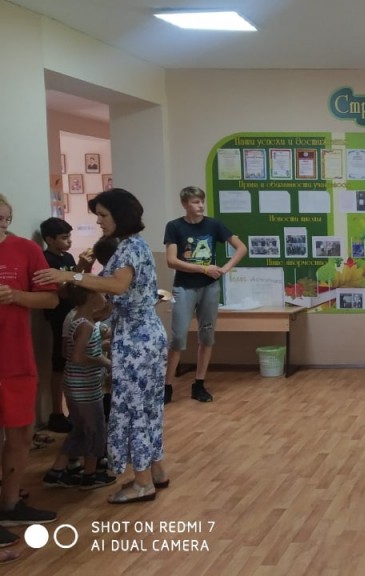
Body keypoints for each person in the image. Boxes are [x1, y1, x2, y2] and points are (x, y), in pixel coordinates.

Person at [34, 188, 170, 504]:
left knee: (134, 409)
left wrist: (71, 275)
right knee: (147, 408)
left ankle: (143, 483)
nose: (99, 221)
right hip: (144, 336)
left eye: (103, 215)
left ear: (120, 216)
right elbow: (113, 296)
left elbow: (117, 286)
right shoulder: (134, 246)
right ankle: (157, 472)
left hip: (137, 341)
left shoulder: (129, 248)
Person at [0, 193, 60, 552]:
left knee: (20, 435)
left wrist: (16, 296)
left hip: (17, 360)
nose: (3, 224)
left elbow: (50, 298)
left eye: (6, 218)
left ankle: (10, 505)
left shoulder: (26, 249)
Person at [164, 186, 247, 403]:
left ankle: (199, 383)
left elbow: (241, 248)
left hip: (210, 287)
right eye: (195, 202)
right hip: (184, 287)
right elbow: (171, 261)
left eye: (202, 201)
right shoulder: (174, 226)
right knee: (178, 337)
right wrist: (203, 268)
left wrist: (225, 269)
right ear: (185, 204)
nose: (200, 206)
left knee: (207, 335)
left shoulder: (214, 224)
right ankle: (167, 386)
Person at [41, 284, 117, 490]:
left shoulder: (78, 320)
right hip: (85, 388)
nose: (103, 297)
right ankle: (89, 475)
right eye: (100, 293)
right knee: (95, 429)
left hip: (76, 385)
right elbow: (77, 356)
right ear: (91, 297)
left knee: (80, 430)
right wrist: (104, 362)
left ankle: (56, 472)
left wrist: (101, 347)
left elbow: (75, 350)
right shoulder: (86, 325)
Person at [39, 217, 93, 434]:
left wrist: (84, 268)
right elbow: (60, 291)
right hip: (58, 315)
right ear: (49, 239)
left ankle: (74, 409)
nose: (69, 241)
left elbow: (76, 285)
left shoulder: (68, 257)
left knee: (73, 361)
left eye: (69, 236)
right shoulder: (45, 259)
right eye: (64, 237)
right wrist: (78, 269)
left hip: (73, 313)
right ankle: (56, 412)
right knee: (59, 363)